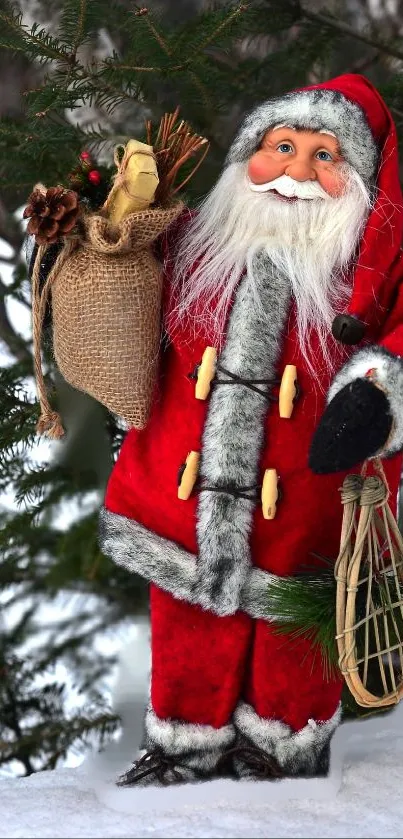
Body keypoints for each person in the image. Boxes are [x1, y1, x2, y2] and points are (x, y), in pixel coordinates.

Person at [99, 73, 403, 785]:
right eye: (282, 147)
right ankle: (184, 742)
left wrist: (377, 391)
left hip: (306, 513)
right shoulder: (193, 246)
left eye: (325, 157)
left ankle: (282, 750)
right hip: (179, 504)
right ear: (247, 156)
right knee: (187, 627)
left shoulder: (369, 277)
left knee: (292, 643)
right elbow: (120, 295)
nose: (296, 172)